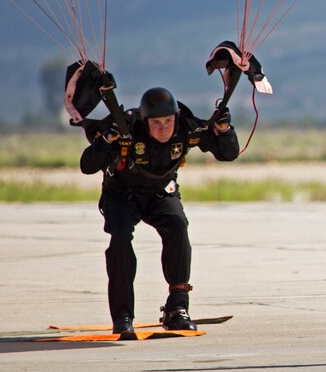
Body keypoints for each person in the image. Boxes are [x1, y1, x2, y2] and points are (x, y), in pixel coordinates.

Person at [80, 87, 238, 335]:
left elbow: (228, 153)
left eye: (168, 121)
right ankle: (122, 316)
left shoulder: (187, 127)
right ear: (145, 122)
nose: (164, 128)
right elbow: (87, 165)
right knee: (120, 237)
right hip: (122, 193)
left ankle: (177, 309)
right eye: (157, 123)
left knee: (178, 226)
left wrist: (224, 130)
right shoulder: (125, 128)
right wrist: (105, 141)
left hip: (159, 192)